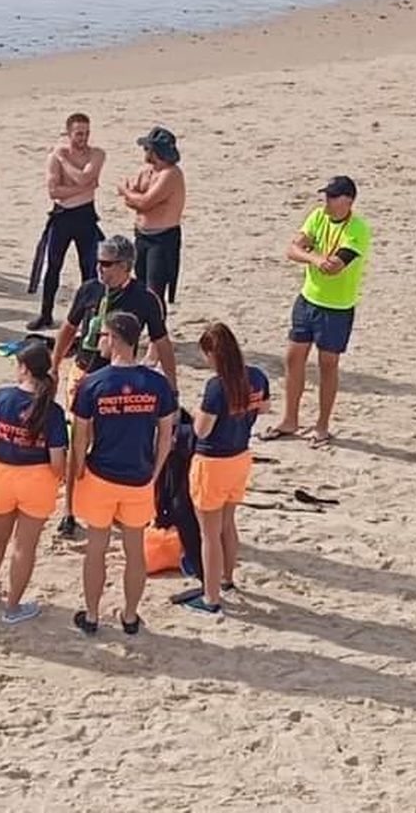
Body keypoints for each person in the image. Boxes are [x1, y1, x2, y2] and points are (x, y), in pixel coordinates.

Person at [51, 234, 175, 538]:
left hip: (118, 377)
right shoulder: (89, 290)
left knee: (114, 443)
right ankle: (69, 510)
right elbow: (68, 330)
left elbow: (161, 341)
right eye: (98, 262)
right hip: (84, 372)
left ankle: (116, 505)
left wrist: (171, 383)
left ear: (125, 266)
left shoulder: (144, 299)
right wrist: (54, 365)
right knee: (76, 441)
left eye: (106, 264)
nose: (99, 269)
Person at [69, 310, 178, 636]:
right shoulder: (157, 384)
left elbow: (81, 437)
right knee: (134, 552)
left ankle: (91, 615)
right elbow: (166, 436)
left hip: (101, 474)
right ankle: (130, 616)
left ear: (114, 339)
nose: (100, 341)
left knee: (96, 549)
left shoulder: (93, 383)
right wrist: (155, 472)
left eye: (102, 335)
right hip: (139, 476)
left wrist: (77, 471)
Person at [261, 176, 371, 447]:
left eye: (333, 197)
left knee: (327, 365)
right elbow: (293, 249)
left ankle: (322, 425)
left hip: (336, 307)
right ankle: (290, 419)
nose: (327, 202)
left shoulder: (357, 229)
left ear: (348, 200)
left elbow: (335, 267)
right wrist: (314, 257)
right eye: (326, 196)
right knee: (292, 358)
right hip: (308, 298)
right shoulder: (317, 217)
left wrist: (312, 255)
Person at [0, 341, 68, 624]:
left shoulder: (1, 397)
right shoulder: (52, 410)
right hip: (37, 478)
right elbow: (56, 459)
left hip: (1, 473)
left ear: (24, 368)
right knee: (25, 546)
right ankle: (13, 608)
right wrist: (58, 478)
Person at [181, 322, 268, 614]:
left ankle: (211, 596)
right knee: (228, 524)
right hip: (240, 456)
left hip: (212, 462)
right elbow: (263, 409)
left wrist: (195, 414)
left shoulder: (217, 386)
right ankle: (228, 578)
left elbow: (202, 430)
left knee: (209, 533)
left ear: (212, 354)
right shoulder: (256, 376)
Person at [27, 113, 105, 331]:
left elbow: (84, 177)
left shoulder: (96, 154)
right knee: (53, 267)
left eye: (87, 133)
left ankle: (89, 318)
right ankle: (46, 314)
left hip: (86, 216)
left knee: (89, 268)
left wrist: (64, 162)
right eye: (79, 133)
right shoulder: (55, 157)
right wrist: (84, 187)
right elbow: (53, 191)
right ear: (69, 133)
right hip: (62, 216)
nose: (83, 138)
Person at [120, 127, 186, 306]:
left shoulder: (170, 174)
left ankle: (157, 330)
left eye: (147, 148)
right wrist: (133, 197)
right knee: (140, 287)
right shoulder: (149, 171)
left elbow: (144, 202)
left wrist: (127, 193)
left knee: (154, 291)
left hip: (162, 239)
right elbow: (135, 197)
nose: (145, 152)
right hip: (142, 236)